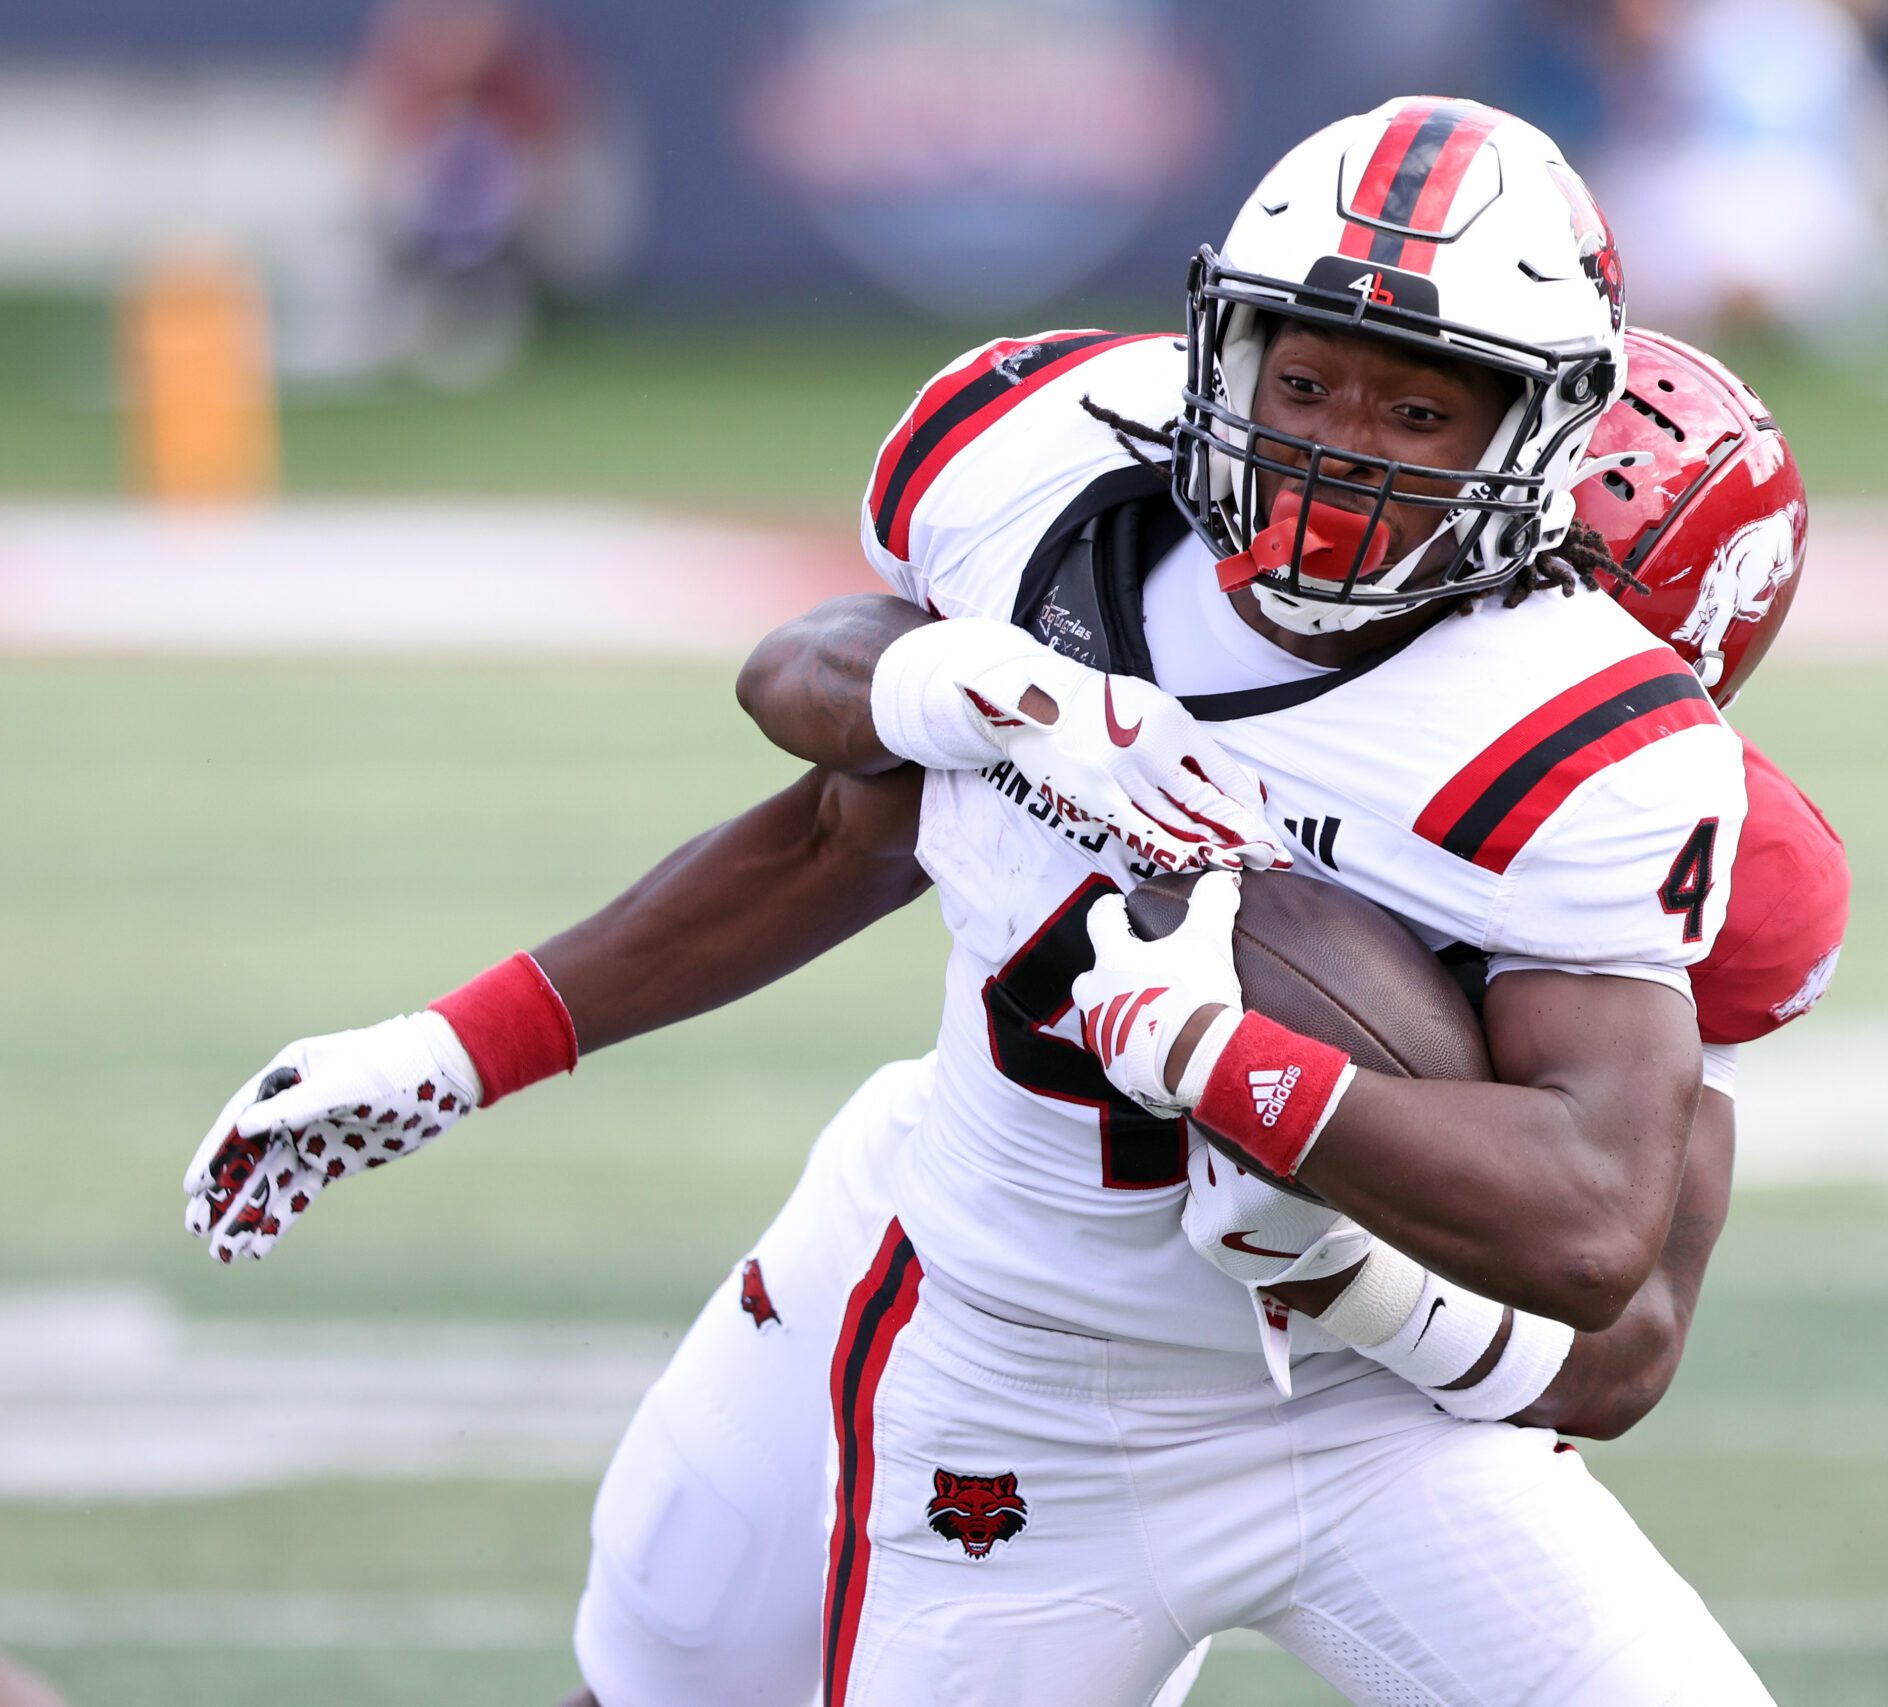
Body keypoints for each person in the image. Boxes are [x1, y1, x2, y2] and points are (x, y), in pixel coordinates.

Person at [185, 101, 1797, 1703]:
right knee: (663, 1670)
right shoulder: (1059, 478)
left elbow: (1606, 1286)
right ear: (1219, 351)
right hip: (1018, 1386)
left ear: (1538, 451)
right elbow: (838, 796)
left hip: (1378, 1419)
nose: (1329, 449)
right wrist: (952, 683)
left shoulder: (1601, 755)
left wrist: (1265, 1133)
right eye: (1300, 382)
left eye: (1417, 414)